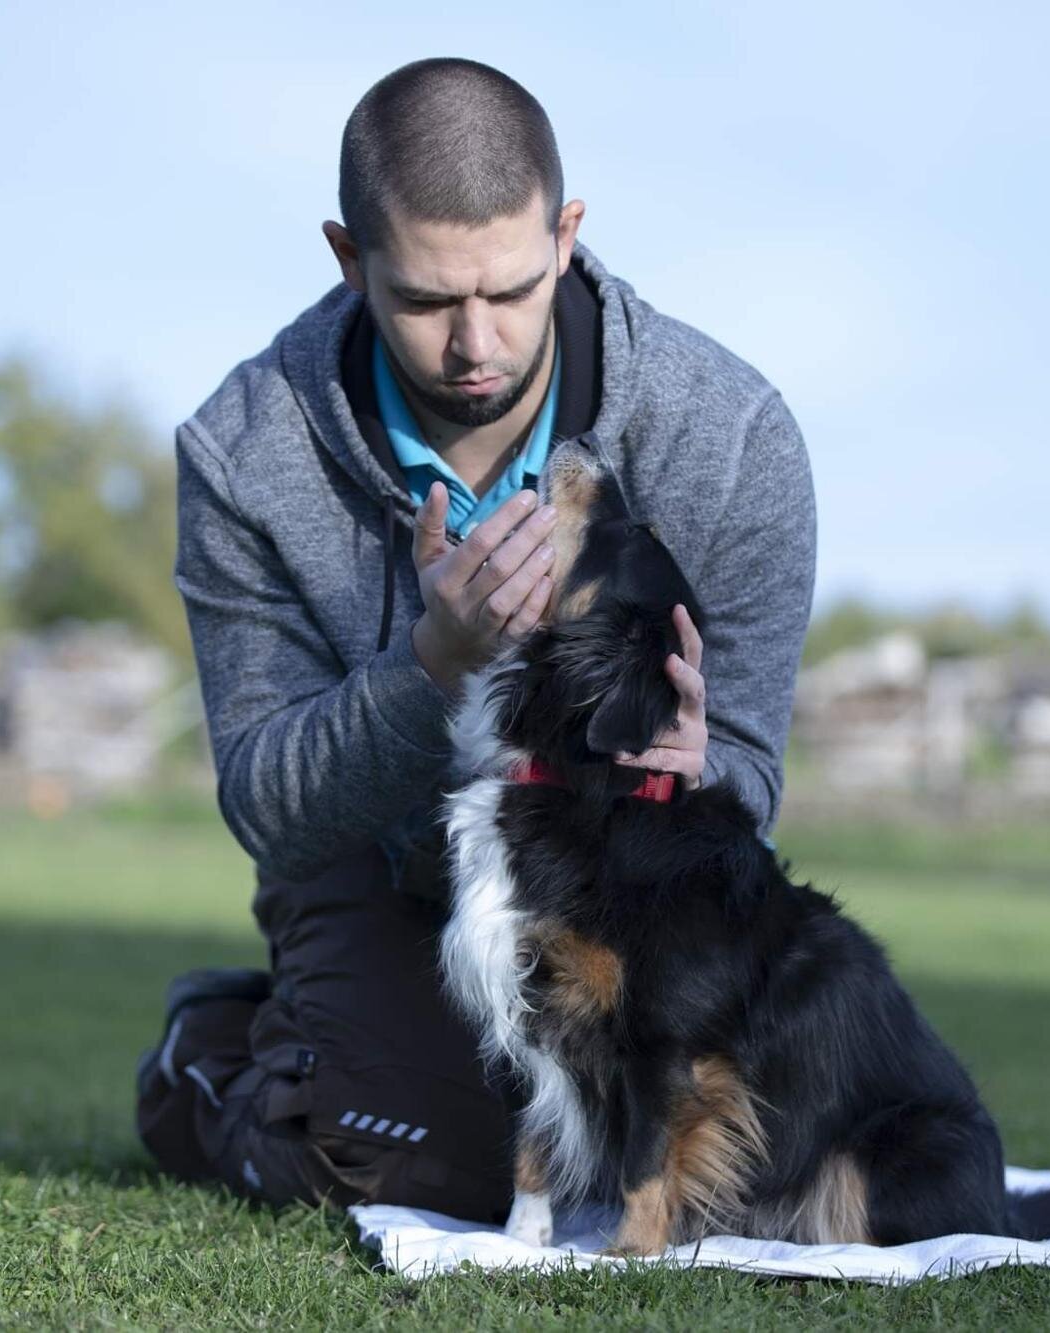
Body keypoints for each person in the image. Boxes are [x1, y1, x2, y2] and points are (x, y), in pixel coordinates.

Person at [136, 57, 816, 1221]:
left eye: (508, 290)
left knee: (749, 1172)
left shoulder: (731, 434)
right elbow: (267, 805)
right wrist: (430, 670)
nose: (474, 344)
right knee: (427, 1175)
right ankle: (216, 1060)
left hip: (622, 895)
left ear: (565, 235)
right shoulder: (241, 453)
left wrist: (694, 767)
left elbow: (749, 777)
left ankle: (352, 1034)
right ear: (350, 261)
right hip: (384, 872)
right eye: (423, 301)